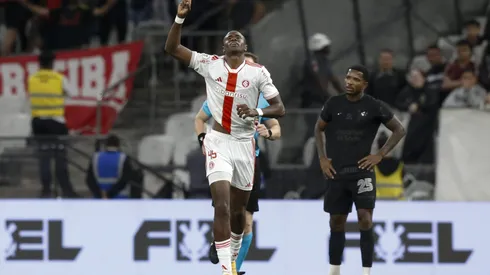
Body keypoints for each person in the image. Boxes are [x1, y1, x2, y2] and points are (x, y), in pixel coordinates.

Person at [164, 1, 285, 274]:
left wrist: (257, 110)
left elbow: (280, 108)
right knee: (221, 203)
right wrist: (180, 19)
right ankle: (226, 269)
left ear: (244, 47)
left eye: (238, 37)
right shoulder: (210, 64)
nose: (233, 37)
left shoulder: (258, 73)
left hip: (245, 144)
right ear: (223, 48)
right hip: (218, 140)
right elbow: (172, 49)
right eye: (228, 37)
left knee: (239, 214)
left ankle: (233, 253)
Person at [194, 52, 282, 274]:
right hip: (223, 153)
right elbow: (200, 118)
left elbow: (277, 128)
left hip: (250, 159)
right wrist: (202, 138)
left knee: (246, 221)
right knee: (224, 206)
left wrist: (269, 132)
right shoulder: (219, 94)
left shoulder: (260, 100)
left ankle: (233, 268)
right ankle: (224, 256)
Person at [314, 65, 406, 275]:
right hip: (336, 172)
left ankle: (366, 271)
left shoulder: (374, 106)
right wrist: (322, 158)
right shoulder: (333, 103)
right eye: (347, 77)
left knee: (365, 217)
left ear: (364, 84)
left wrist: (379, 155)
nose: (349, 82)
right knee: (336, 222)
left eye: (355, 79)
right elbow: (318, 128)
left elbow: (399, 129)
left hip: (362, 172)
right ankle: (335, 269)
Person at [28, 50, 79, 198]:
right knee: (60, 157)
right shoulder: (59, 78)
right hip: (56, 123)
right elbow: (73, 93)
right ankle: (66, 190)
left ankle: (46, 191)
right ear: (52, 63)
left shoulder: (32, 79)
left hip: (38, 123)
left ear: (39, 63)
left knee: (44, 157)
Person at [85, 134, 139, 198]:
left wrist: (100, 194)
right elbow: (125, 179)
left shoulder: (95, 157)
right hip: (119, 197)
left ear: (105, 145)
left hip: (99, 198)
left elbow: (89, 179)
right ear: (118, 145)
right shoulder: (124, 158)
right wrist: (109, 194)